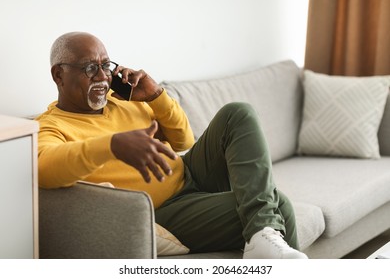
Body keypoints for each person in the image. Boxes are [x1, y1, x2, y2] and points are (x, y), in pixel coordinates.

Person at [36, 31, 308, 259]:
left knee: (238, 113)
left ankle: (262, 236)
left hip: (190, 175)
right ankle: (265, 237)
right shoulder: (52, 125)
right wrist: (112, 145)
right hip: (164, 212)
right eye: (89, 68)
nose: (102, 77)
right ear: (58, 75)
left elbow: (183, 141)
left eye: (105, 66)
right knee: (277, 205)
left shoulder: (123, 101)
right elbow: (45, 169)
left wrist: (155, 95)